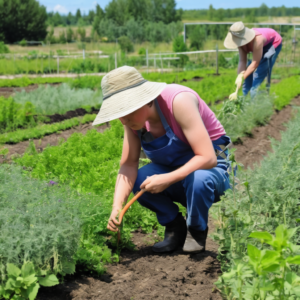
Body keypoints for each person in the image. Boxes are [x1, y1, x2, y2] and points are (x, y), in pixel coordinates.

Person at [93, 66, 231, 254]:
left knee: (198, 179)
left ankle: (196, 230)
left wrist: (167, 179)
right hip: (176, 172)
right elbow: (128, 164)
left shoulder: (178, 101)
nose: (123, 121)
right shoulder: (134, 122)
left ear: (146, 100)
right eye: (120, 115)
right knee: (141, 179)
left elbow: (208, 158)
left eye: (127, 112)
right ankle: (175, 226)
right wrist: (117, 206)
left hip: (212, 173)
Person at [224, 21, 282, 97]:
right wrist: (240, 77)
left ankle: (254, 101)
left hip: (272, 44)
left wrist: (243, 77)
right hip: (261, 45)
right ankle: (244, 98)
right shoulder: (240, 43)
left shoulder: (257, 40)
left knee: (260, 72)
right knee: (248, 69)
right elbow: (242, 61)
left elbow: (255, 63)